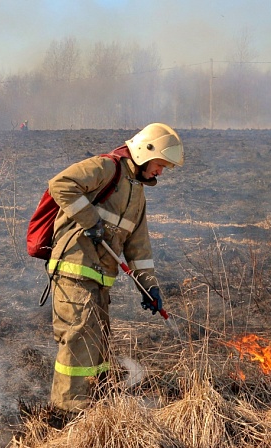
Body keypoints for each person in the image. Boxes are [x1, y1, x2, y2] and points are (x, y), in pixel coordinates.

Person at [45, 123, 184, 417]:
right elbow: (61, 184)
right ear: (145, 153)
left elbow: (139, 247)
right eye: (160, 165)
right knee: (79, 340)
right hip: (74, 271)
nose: (160, 172)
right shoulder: (106, 168)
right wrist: (90, 220)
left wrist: (150, 286)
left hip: (98, 280)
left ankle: (93, 406)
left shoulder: (137, 193)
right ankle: (66, 414)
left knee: (98, 344)